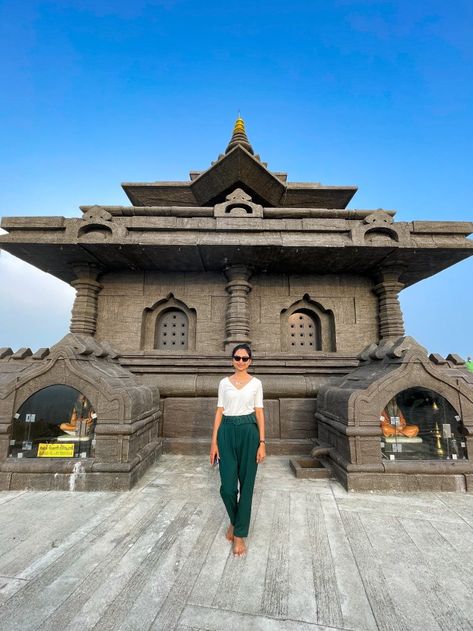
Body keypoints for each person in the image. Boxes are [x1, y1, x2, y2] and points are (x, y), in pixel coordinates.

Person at [210, 343, 265, 556]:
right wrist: (214, 442)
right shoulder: (224, 383)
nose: (240, 361)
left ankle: (239, 533)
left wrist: (262, 443)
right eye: (237, 357)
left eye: (244, 358)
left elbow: (259, 413)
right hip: (226, 432)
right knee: (228, 487)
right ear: (232, 359)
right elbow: (219, 411)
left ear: (250, 361)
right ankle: (234, 520)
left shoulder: (256, 384)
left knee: (247, 485)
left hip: (249, 432)